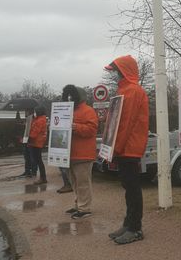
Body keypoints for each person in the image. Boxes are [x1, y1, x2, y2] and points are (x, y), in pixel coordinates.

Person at [105, 55, 149, 245]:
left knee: (132, 188)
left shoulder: (132, 91)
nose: (114, 74)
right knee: (128, 188)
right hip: (125, 148)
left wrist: (114, 149)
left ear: (123, 71)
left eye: (116, 70)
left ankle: (135, 228)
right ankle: (129, 224)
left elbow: (125, 125)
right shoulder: (126, 90)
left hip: (129, 148)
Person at [62, 85, 99, 220]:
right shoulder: (68, 111)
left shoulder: (88, 111)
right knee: (74, 182)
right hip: (69, 154)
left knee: (82, 182)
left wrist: (75, 127)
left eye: (72, 95)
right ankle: (79, 205)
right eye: (68, 95)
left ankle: (84, 208)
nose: (70, 98)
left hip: (83, 154)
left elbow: (92, 130)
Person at [29, 106, 48, 185]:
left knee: (38, 160)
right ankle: (43, 177)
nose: (34, 113)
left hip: (36, 142)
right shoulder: (39, 120)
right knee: (38, 160)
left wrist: (28, 137)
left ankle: (43, 178)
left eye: (35, 111)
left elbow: (35, 132)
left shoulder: (40, 121)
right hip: (37, 142)